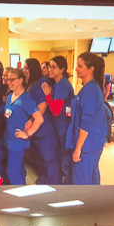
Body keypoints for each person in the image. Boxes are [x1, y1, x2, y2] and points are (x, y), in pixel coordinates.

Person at [68, 52, 108, 185]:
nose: (76, 69)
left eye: (80, 66)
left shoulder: (90, 90)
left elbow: (87, 121)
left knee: (82, 180)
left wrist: (78, 148)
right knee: (91, 176)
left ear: (91, 69)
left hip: (88, 145)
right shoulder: (91, 88)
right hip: (93, 142)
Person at [2, 68, 44, 185]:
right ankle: (22, 190)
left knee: (12, 171)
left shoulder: (26, 99)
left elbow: (39, 119)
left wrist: (27, 134)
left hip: (18, 142)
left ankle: (19, 195)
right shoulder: (10, 97)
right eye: (8, 79)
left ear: (20, 80)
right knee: (19, 170)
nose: (9, 82)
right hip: (9, 139)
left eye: (12, 79)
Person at [24, 58, 60, 185]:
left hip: (44, 129)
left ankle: (55, 185)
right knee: (41, 161)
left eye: (27, 68)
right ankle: (46, 181)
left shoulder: (42, 83)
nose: (24, 71)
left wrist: (32, 120)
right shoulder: (32, 84)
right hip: (36, 130)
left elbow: (43, 106)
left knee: (50, 160)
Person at [42, 56, 75, 184]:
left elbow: (56, 110)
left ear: (62, 69)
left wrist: (47, 95)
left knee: (66, 162)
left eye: (53, 67)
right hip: (61, 128)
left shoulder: (62, 85)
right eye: (49, 66)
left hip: (64, 129)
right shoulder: (59, 84)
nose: (50, 69)